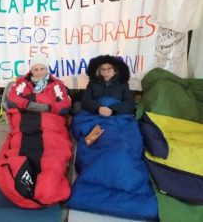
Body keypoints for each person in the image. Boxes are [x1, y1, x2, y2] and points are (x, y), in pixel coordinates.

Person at [68, 55, 158, 220]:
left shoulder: (123, 85)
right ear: (99, 71)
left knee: (124, 147)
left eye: (109, 69)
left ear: (115, 70)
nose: (106, 71)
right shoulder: (93, 84)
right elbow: (86, 100)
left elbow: (130, 104)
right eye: (103, 69)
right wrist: (98, 108)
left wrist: (114, 110)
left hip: (119, 119)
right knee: (98, 145)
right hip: (96, 119)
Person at [0, 54, 73, 209]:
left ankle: (47, 183)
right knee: (21, 143)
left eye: (42, 68)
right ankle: (26, 175)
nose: (39, 72)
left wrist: (47, 107)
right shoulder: (22, 83)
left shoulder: (57, 85)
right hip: (27, 119)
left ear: (47, 69)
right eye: (36, 69)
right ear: (31, 70)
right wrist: (31, 105)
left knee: (52, 147)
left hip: (50, 120)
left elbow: (64, 105)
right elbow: (12, 99)